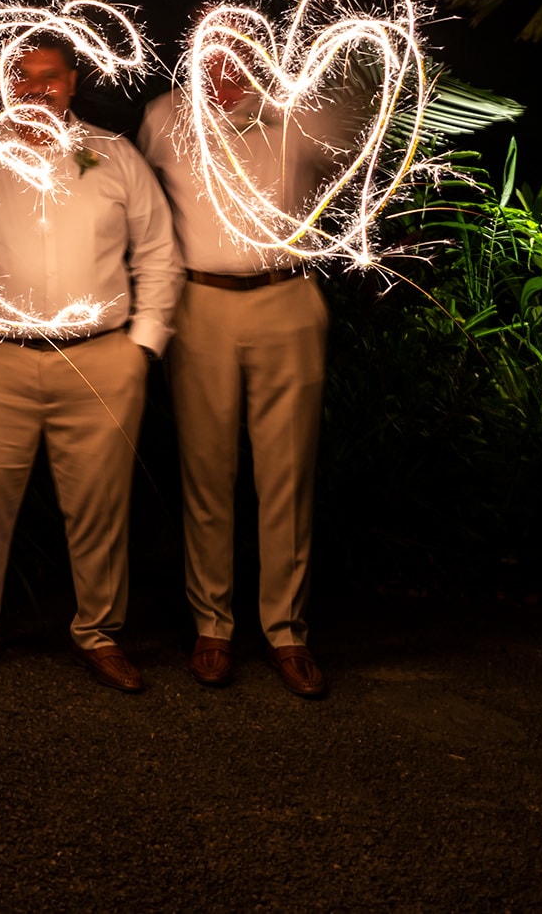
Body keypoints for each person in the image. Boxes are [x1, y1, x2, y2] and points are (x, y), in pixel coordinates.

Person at [0, 38, 180, 693]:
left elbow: (159, 251)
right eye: (19, 77)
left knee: (100, 505)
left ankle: (98, 631)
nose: (34, 89)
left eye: (48, 77)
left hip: (101, 358)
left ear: (73, 81)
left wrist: (141, 347)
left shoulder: (114, 154)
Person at [136, 51, 355, 699]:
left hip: (287, 296)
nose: (224, 65)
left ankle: (286, 630)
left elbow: (361, 165)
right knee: (206, 469)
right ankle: (213, 625)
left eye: (239, 48)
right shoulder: (160, 117)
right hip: (200, 302)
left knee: (286, 471)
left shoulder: (299, 114)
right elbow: (140, 208)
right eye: (211, 49)